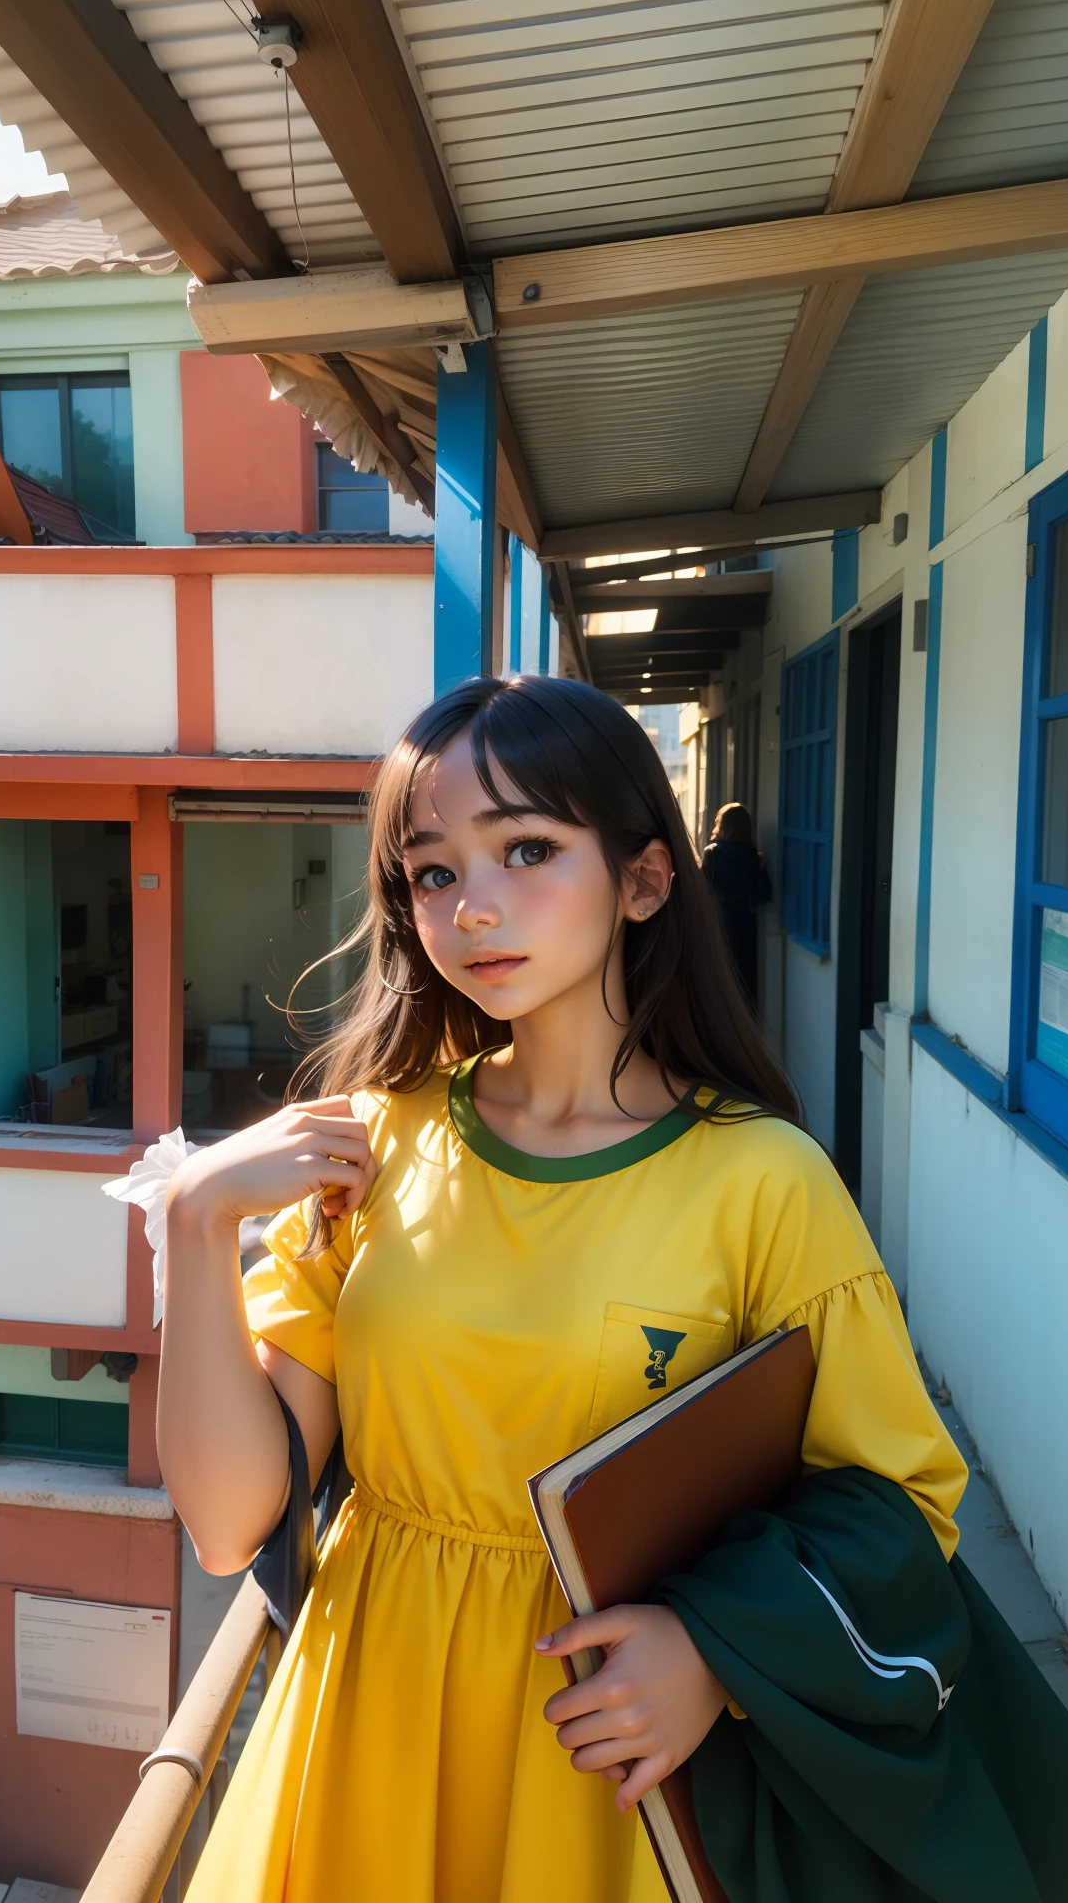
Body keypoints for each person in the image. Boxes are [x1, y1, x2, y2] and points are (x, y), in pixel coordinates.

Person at [159, 674, 965, 1903]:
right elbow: (229, 1524)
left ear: (644, 879)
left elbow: (905, 1505)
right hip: (364, 1711)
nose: (474, 906)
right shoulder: (375, 1145)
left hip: (600, 1754)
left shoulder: (764, 1180)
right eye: (432, 871)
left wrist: (714, 1649)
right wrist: (195, 1223)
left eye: (527, 847)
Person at [700, 801, 772, 1009]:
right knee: (745, 985)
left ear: (722, 825)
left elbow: (704, 891)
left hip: (718, 923)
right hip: (745, 925)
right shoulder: (752, 856)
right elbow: (763, 896)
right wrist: (760, 869)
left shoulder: (712, 853)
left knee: (717, 983)